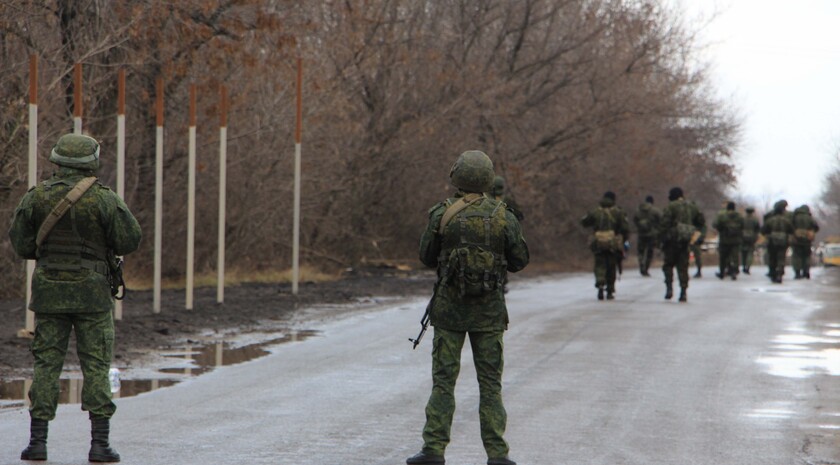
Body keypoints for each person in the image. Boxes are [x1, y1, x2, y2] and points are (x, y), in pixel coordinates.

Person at [9, 134, 142, 463]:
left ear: (56, 160)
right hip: (92, 296)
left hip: (49, 295)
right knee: (96, 365)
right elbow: (129, 239)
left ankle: (37, 442)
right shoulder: (104, 199)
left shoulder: (36, 196)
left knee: (46, 366)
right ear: (91, 161)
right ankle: (100, 445)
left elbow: (23, 245)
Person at [409, 150, 528, 465]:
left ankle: (433, 450)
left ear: (457, 177)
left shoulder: (442, 214)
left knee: (444, 380)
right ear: (488, 178)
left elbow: (425, 256)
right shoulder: (504, 215)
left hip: (449, 313)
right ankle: (498, 454)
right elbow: (520, 261)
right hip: (489, 314)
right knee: (490, 383)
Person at [580, 191, 630, 300]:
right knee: (611, 266)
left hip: (598, 242)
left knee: (599, 264)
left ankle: (600, 283)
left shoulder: (596, 211)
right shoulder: (618, 212)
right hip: (613, 243)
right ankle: (610, 290)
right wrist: (624, 240)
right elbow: (625, 228)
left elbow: (584, 222)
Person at [658, 187, 705, 302]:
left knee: (668, 265)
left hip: (671, 241)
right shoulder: (692, 207)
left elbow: (664, 223)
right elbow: (701, 221)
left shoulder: (670, 206)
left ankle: (669, 288)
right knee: (683, 267)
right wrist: (695, 234)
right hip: (686, 241)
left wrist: (661, 238)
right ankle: (683, 292)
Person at [761, 200, 794, 283]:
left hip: (772, 241)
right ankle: (780, 273)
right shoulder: (786, 221)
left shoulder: (770, 220)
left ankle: (772, 273)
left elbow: (763, 230)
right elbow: (791, 230)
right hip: (783, 241)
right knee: (781, 258)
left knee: (772, 258)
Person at [712, 201, 744, 280]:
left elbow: (715, 224)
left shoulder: (722, 215)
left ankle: (722, 272)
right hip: (735, 239)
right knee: (735, 256)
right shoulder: (739, 216)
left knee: (723, 256)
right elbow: (743, 226)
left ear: (727, 207)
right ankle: (734, 271)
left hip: (724, 239)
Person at [633, 195, 661, 276]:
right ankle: (646, 268)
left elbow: (635, 220)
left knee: (640, 252)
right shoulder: (655, 210)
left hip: (641, 234)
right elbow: (661, 220)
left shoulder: (638, 210)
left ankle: (641, 264)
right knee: (649, 252)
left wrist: (639, 227)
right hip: (652, 235)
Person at [791, 204, 819, 279]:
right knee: (806, 256)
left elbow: (790, 226)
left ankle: (797, 273)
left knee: (797, 256)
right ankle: (806, 272)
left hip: (796, 240)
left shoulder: (794, 217)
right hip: (807, 240)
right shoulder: (810, 218)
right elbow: (816, 227)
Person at [740, 206, 760, 274]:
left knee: (743, 252)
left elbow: (739, 227)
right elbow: (757, 229)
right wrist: (756, 237)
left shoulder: (742, 218)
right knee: (750, 253)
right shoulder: (755, 219)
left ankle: (744, 265)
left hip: (742, 236)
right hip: (752, 237)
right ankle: (748, 266)